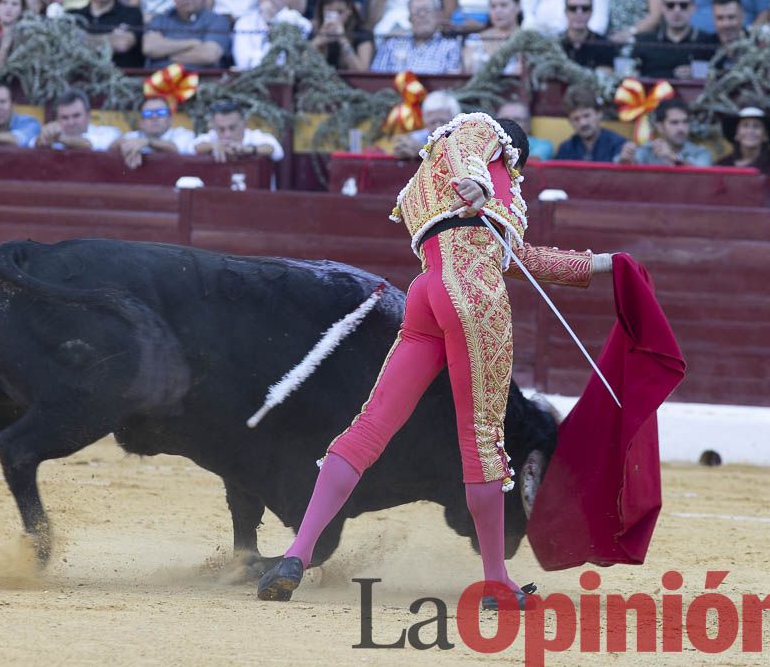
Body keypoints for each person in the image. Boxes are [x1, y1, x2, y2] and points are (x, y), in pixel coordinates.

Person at [254, 112, 613, 609]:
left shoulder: (438, 181)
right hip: (472, 293)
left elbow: (520, 258)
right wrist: (478, 181)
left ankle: (296, 555)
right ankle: (496, 582)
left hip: (427, 291)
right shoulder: (483, 134)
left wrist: (603, 265)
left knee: (370, 426)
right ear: (512, 153)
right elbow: (469, 149)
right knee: (482, 439)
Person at [143, 0, 233, 68]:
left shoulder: (218, 21)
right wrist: (193, 43)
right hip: (160, 77)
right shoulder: (160, 20)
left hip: (202, 78)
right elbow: (149, 48)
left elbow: (209, 55)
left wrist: (165, 55)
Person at [635, 0, 720, 78]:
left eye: (683, 5)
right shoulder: (644, 42)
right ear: (662, 8)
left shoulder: (708, 42)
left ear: (693, 8)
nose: (677, 10)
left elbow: (719, 75)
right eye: (670, 5)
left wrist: (697, 74)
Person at [70, 0, 145, 68]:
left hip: (121, 77)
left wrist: (81, 38)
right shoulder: (72, 16)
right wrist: (111, 38)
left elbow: (122, 44)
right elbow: (63, 45)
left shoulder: (132, 13)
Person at [233, 0, 314, 69]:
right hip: (252, 77)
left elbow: (289, 61)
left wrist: (270, 23)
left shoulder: (299, 22)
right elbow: (243, 63)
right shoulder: (244, 23)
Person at [370, 0, 462, 73]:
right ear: (409, 18)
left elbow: (453, 83)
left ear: (438, 15)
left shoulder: (451, 47)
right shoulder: (391, 45)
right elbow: (376, 78)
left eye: (427, 10)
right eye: (416, 12)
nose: (422, 15)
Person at [618, 96, 713, 165]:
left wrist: (674, 158)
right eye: (674, 123)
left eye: (685, 122)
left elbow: (702, 175)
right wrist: (625, 161)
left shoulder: (700, 152)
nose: (681, 128)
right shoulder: (647, 150)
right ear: (660, 126)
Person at [110, 96, 198, 168]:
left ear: (170, 119)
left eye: (161, 112)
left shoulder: (183, 134)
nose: (154, 117)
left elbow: (176, 148)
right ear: (141, 122)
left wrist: (147, 142)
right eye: (148, 113)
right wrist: (128, 146)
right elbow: (112, 146)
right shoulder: (134, 136)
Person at [717, 104, 770, 186]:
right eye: (745, 125)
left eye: (756, 126)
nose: (750, 131)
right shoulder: (722, 166)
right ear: (736, 134)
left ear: (765, 136)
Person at [310, 0, 376, 70]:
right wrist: (317, 41)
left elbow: (362, 71)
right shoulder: (314, 32)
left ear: (349, 10)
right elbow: (299, 66)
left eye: (340, 12)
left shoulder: (362, 34)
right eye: (329, 12)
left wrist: (343, 40)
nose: (335, 17)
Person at [193, 99, 285, 162]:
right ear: (214, 126)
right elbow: (194, 146)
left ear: (245, 123)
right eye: (221, 129)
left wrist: (246, 149)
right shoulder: (212, 136)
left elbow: (275, 150)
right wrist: (213, 145)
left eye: (232, 128)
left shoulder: (255, 136)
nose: (227, 134)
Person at [555, 86, 629, 161]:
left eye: (586, 116)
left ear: (599, 114)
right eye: (576, 119)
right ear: (570, 122)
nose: (583, 123)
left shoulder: (618, 144)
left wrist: (624, 162)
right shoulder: (565, 149)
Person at [462, 0, 523, 73]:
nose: (498, 11)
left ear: (518, 6)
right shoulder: (475, 39)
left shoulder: (528, 39)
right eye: (493, 6)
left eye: (503, 5)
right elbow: (467, 71)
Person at [36, 88, 122, 151]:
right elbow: (35, 144)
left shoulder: (109, 133)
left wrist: (59, 138)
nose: (71, 122)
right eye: (65, 117)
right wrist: (44, 136)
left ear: (88, 116)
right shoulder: (53, 136)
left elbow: (91, 144)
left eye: (76, 116)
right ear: (57, 119)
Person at [558, 0, 617, 74]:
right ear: (566, 11)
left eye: (585, 8)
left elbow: (604, 78)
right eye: (573, 8)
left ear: (591, 12)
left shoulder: (604, 45)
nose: (579, 13)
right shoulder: (554, 44)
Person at [385, 89, 460, 157]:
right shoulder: (415, 139)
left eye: (443, 121)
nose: (438, 127)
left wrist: (423, 150)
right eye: (432, 122)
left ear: (454, 121)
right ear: (425, 120)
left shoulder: (462, 136)